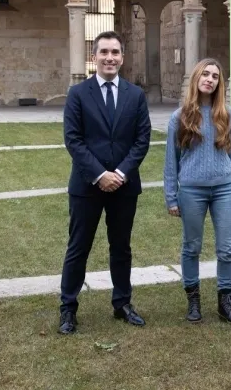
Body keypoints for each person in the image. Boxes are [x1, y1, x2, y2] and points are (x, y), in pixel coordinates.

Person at [58, 31, 151, 335]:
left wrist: (120, 174)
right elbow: (73, 140)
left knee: (121, 247)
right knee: (78, 247)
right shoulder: (78, 94)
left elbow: (142, 139)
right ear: (94, 56)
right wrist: (100, 175)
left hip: (124, 186)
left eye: (115, 52)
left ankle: (122, 303)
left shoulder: (135, 95)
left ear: (122, 57)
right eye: (104, 52)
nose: (110, 58)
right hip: (87, 186)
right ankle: (68, 308)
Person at [163, 58, 231, 324]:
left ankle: (225, 302)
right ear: (196, 78)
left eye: (215, 76)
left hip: (224, 190)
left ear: (219, 83)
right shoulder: (179, 117)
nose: (210, 79)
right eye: (205, 74)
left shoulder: (228, 115)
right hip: (191, 191)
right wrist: (171, 197)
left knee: (227, 248)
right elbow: (171, 161)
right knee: (192, 246)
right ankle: (194, 301)